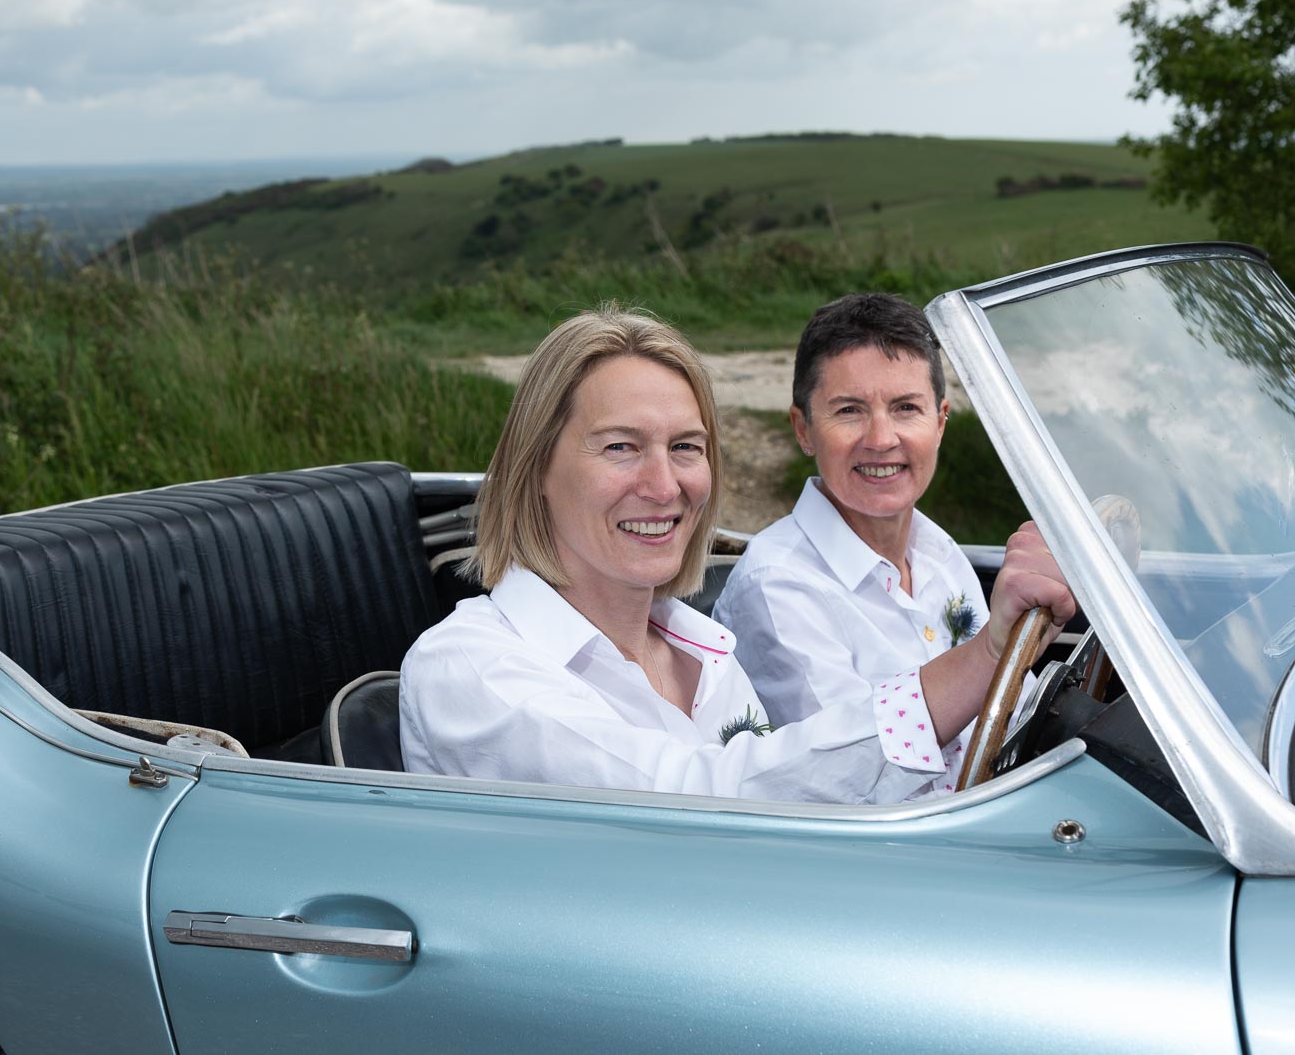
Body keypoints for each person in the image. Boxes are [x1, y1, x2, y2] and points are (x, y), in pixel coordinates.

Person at [400, 304, 1073, 803]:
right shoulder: (469, 667)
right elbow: (702, 802)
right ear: (537, 467)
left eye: (686, 448)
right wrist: (987, 655)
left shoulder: (705, 654)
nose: (665, 487)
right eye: (620, 447)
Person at [713, 292, 1022, 794]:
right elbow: (855, 784)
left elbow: (1013, 717)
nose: (881, 439)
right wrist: (992, 652)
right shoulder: (777, 588)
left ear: (940, 423)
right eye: (850, 411)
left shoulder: (940, 553)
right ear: (803, 429)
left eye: (906, 408)